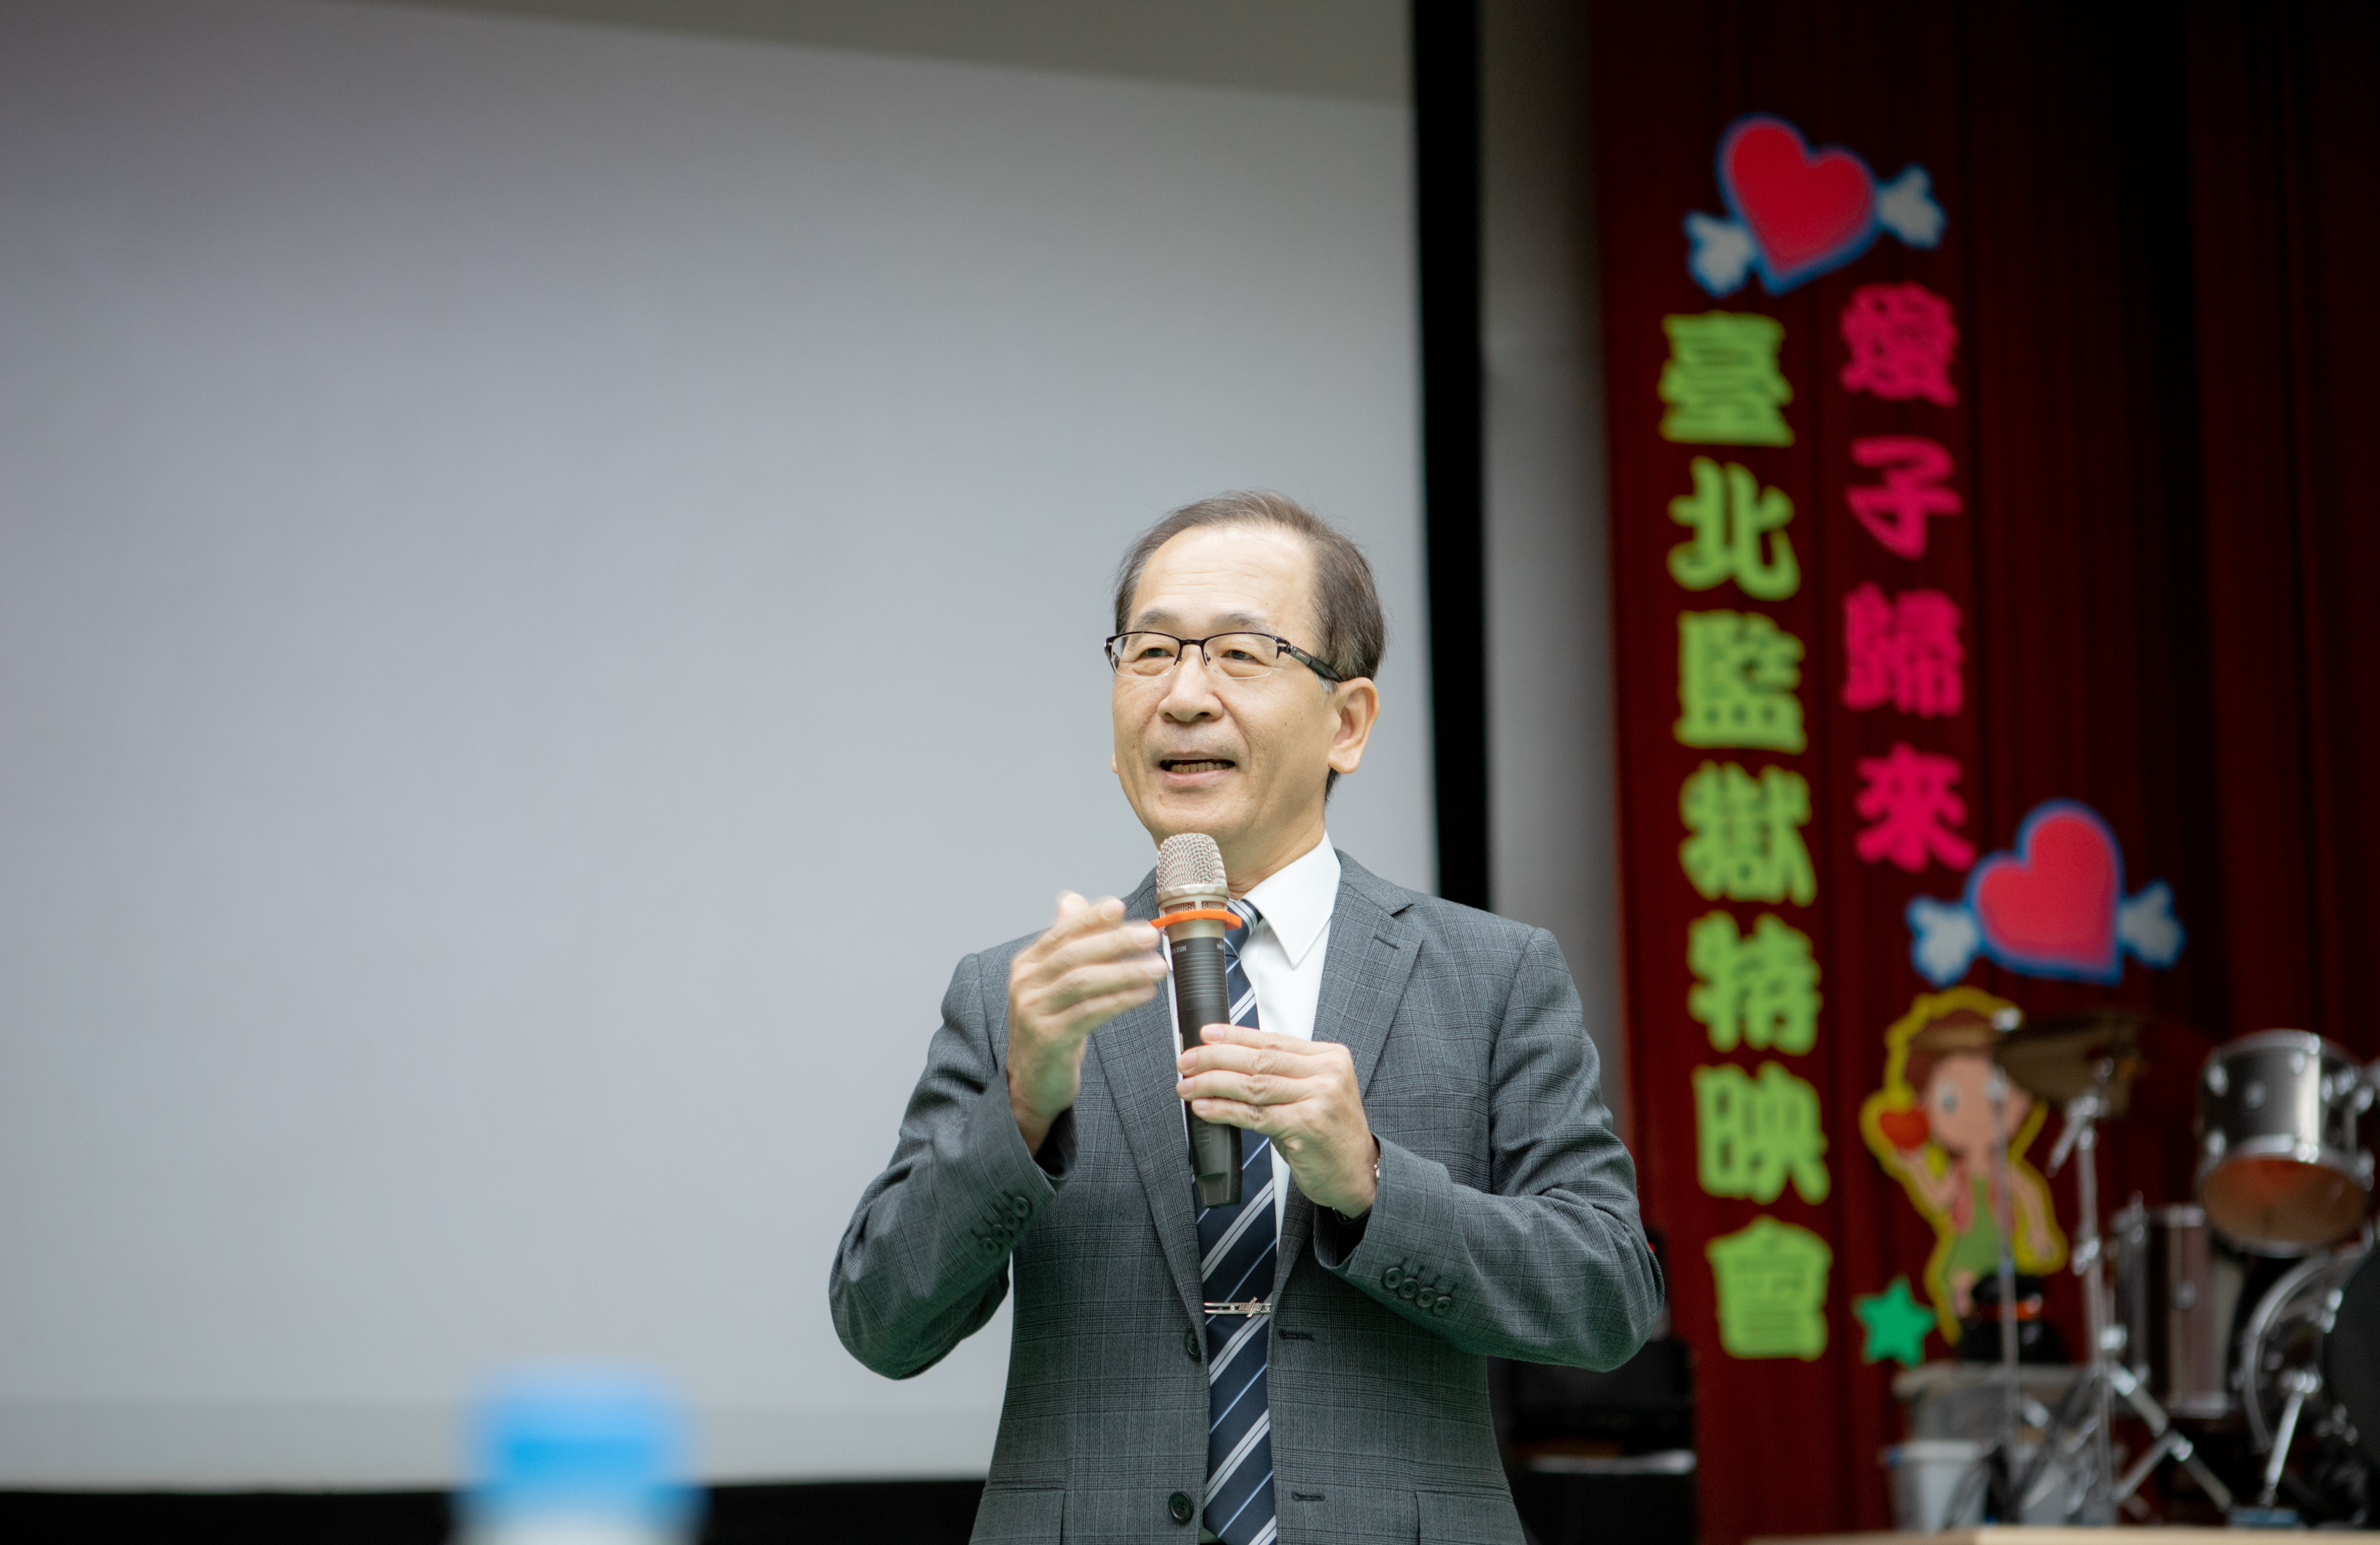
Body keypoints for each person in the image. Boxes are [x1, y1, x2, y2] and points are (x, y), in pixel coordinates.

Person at [830, 492, 1660, 1544]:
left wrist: (1371, 1183)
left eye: (1238, 653)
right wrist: (1022, 1114)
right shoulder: (1019, 995)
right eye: (1150, 654)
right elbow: (881, 1324)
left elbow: (1607, 1301)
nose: (1184, 696)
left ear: (1347, 723)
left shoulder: (1491, 976)